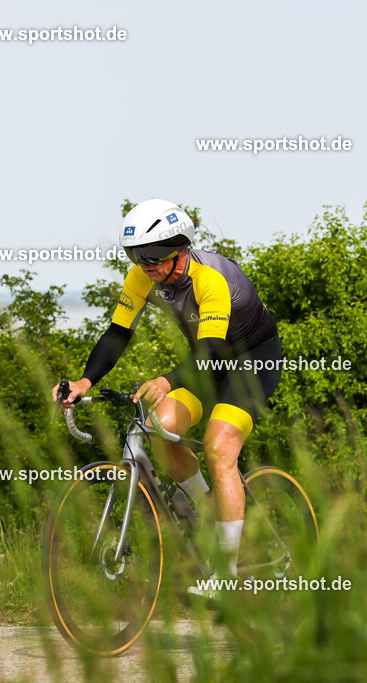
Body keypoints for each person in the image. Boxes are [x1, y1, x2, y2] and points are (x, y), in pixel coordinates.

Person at [53, 198, 282, 590]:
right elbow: (118, 333)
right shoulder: (142, 276)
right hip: (206, 361)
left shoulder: (211, 280)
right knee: (159, 429)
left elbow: (211, 352)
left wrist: (165, 380)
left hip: (251, 360)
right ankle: (211, 504)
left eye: (157, 258)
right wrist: (84, 380)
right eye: (140, 259)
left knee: (219, 447)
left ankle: (225, 575)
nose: (149, 268)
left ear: (181, 251)